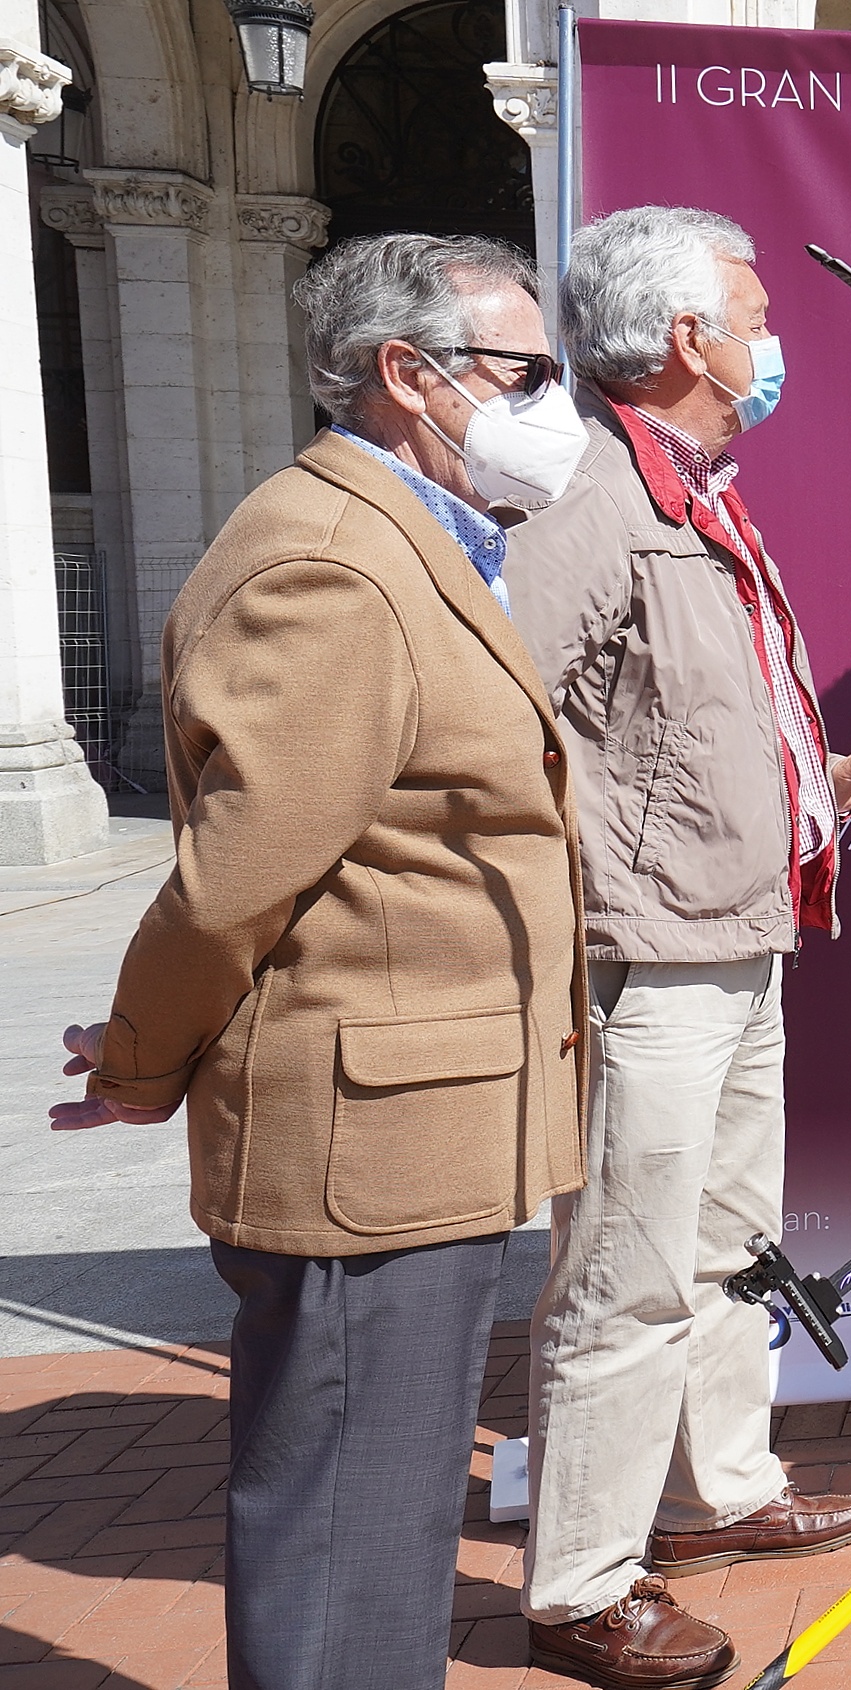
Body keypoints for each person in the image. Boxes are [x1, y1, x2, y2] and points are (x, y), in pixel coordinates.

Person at [48, 233, 588, 1690]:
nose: (552, 404)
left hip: (419, 1122)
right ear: (408, 374)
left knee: (383, 1523)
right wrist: (140, 1061)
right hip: (368, 1143)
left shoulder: (413, 537)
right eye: (527, 371)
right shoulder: (331, 562)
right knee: (352, 1529)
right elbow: (237, 877)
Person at [505, 205, 851, 1690]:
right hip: (651, 952)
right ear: (687, 338)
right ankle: (580, 1582)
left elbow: (674, 719)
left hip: (741, 930)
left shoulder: (690, 488)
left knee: (724, 1245)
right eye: (753, 318)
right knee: (624, 1273)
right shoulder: (588, 499)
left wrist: (823, 779)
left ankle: (714, 1491)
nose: (770, 341)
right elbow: (504, 724)